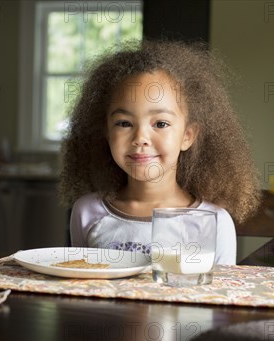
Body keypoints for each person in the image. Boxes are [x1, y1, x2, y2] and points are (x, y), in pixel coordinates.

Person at [59, 41, 260, 265]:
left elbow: (221, 295)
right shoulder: (87, 212)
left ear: (187, 136)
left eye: (161, 124)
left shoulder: (214, 222)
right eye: (124, 123)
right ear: (106, 131)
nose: (140, 138)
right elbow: (82, 288)